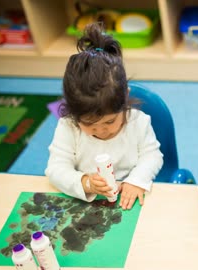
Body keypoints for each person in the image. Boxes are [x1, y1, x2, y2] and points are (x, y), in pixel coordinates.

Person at [45, 23, 163, 210]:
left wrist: (136, 181)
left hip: (130, 196)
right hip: (87, 201)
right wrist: (85, 182)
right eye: (89, 124)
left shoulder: (138, 122)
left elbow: (152, 156)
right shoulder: (68, 126)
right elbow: (55, 169)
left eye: (109, 121)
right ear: (72, 112)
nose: (101, 130)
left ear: (125, 98)